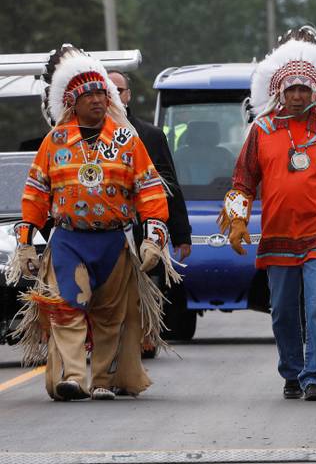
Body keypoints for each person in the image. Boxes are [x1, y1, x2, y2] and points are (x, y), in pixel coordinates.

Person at [8, 45, 176, 400]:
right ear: (73, 102)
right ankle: (71, 377)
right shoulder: (54, 142)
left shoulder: (126, 139)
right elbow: (36, 192)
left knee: (109, 316)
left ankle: (102, 379)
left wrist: (154, 236)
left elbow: (148, 187)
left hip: (114, 241)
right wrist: (25, 241)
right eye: (91, 95)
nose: (99, 100)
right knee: (67, 307)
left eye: (103, 93)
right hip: (69, 240)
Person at [219, 27, 316, 402]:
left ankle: (314, 376)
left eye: (305, 89)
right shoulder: (261, 131)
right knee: (284, 312)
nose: (299, 95)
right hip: (277, 235)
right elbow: (242, 183)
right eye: (292, 89)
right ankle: (290, 371)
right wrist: (238, 221)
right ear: (280, 92)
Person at [108, 71, 191, 261]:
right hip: (104, 236)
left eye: (118, 90)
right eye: (107, 90)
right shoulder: (87, 137)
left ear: (128, 95)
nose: (112, 95)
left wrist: (182, 235)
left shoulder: (151, 136)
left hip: (144, 235)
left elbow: (169, 187)